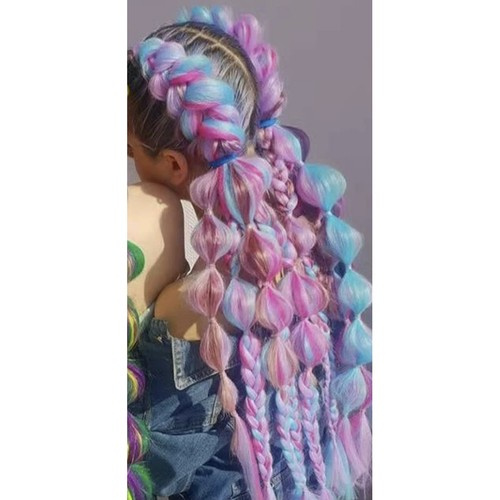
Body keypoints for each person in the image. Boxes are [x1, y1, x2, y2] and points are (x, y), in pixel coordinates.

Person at [127, 6, 372, 500]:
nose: (129, 161)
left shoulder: (186, 294)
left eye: (130, 150)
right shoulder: (307, 241)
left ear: (173, 165)